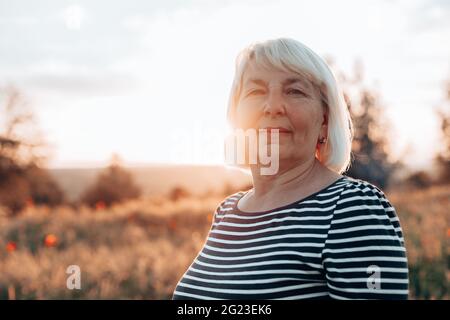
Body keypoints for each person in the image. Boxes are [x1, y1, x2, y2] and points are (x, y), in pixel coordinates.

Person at [172, 38, 409, 300]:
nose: (272, 106)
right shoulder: (227, 212)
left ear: (324, 121)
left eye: (295, 91)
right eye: (256, 91)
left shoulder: (353, 208)